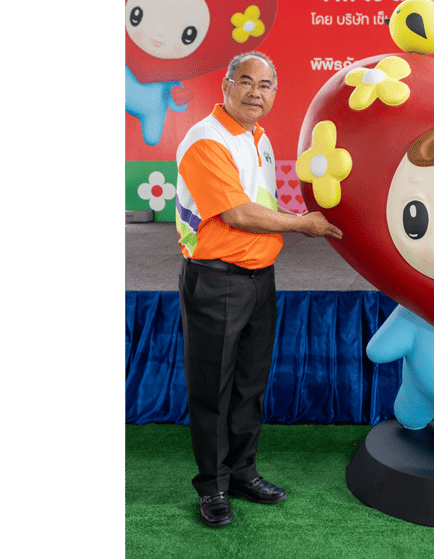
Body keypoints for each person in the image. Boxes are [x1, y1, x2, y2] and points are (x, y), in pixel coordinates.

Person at [174, 51, 343, 527]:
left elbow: (259, 204)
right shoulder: (206, 140)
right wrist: (303, 224)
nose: (255, 92)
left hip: (258, 279)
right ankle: (213, 486)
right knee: (213, 390)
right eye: (246, 82)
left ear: (274, 93)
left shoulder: (259, 138)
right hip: (216, 280)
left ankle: (243, 472)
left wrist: (301, 215)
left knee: (249, 385)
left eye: (265, 85)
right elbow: (238, 213)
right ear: (226, 85)